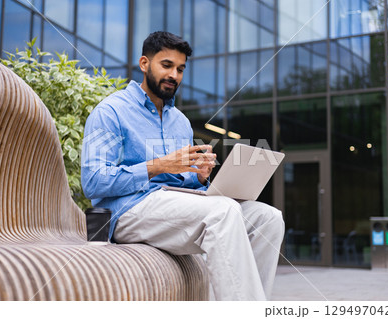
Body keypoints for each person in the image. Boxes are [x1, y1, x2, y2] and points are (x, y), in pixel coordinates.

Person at [81, 31, 285, 301]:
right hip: (128, 211)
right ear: (144, 64)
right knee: (222, 212)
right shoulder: (110, 111)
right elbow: (93, 181)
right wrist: (158, 165)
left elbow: (184, 182)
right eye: (166, 65)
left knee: (267, 219)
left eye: (180, 69)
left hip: (174, 207)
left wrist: (201, 179)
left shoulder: (180, 121)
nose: (174, 75)